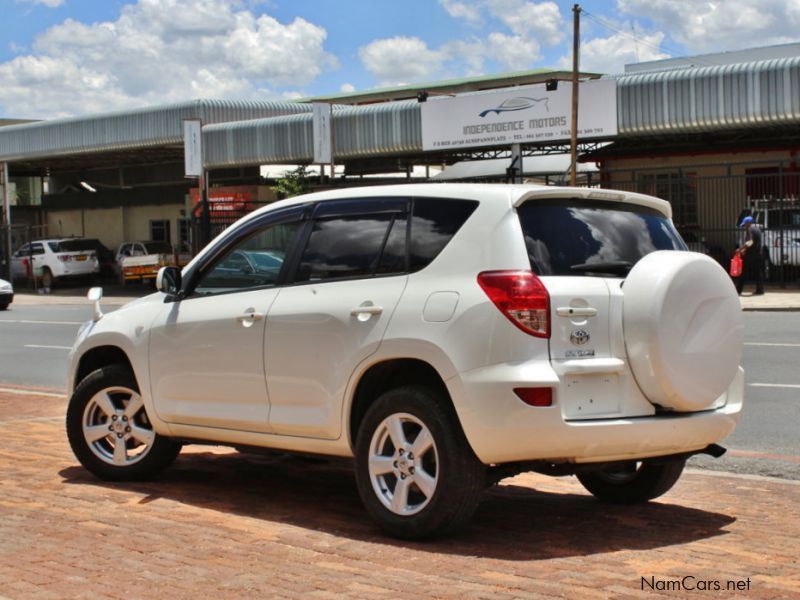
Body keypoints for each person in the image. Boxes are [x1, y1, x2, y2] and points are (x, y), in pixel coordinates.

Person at [735, 215, 765, 295]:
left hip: (750, 255)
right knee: (758, 273)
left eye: (745, 224)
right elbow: (756, 243)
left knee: (743, 272)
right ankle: (760, 290)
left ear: (749, 223)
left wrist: (740, 249)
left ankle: (738, 290)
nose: (744, 226)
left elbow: (750, 242)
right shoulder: (758, 230)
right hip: (758, 254)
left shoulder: (750, 229)